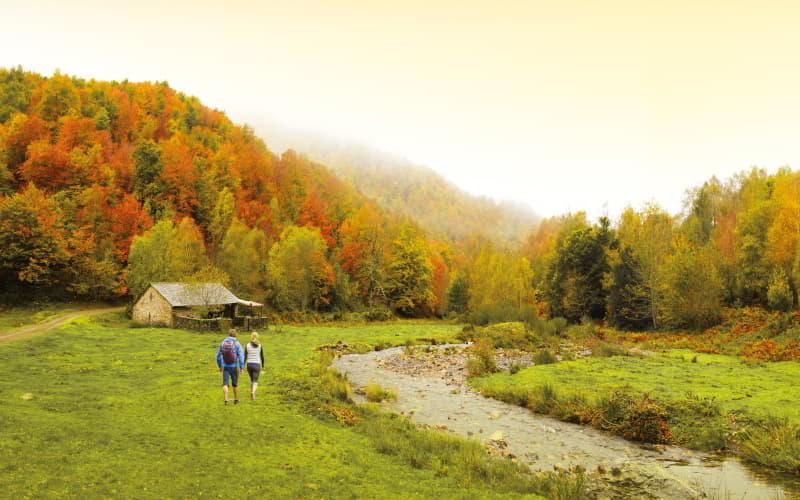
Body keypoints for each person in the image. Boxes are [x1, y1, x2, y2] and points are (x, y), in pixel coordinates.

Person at [216, 328, 244, 405]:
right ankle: (236, 399)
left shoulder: (223, 343)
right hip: (234, 366)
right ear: (235, 335)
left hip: (225, 366)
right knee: (235, 383)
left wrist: (220, 366)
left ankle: (226, 399)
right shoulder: (237, 343)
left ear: (228, 334)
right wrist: (241, 367)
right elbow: (241, 356)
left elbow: (218, 356)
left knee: (225, 383)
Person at [244, 331, 265, 401]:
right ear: (257, 337)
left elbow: (245, 357)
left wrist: (242, 366)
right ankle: (253, 392)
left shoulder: (247, 345)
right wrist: (263, 366)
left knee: (252, 380)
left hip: (249, 364)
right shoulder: (260, 345)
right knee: (255, 380)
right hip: (257, 364)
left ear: (251, 337)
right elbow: (262, 357)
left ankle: (252, 396)